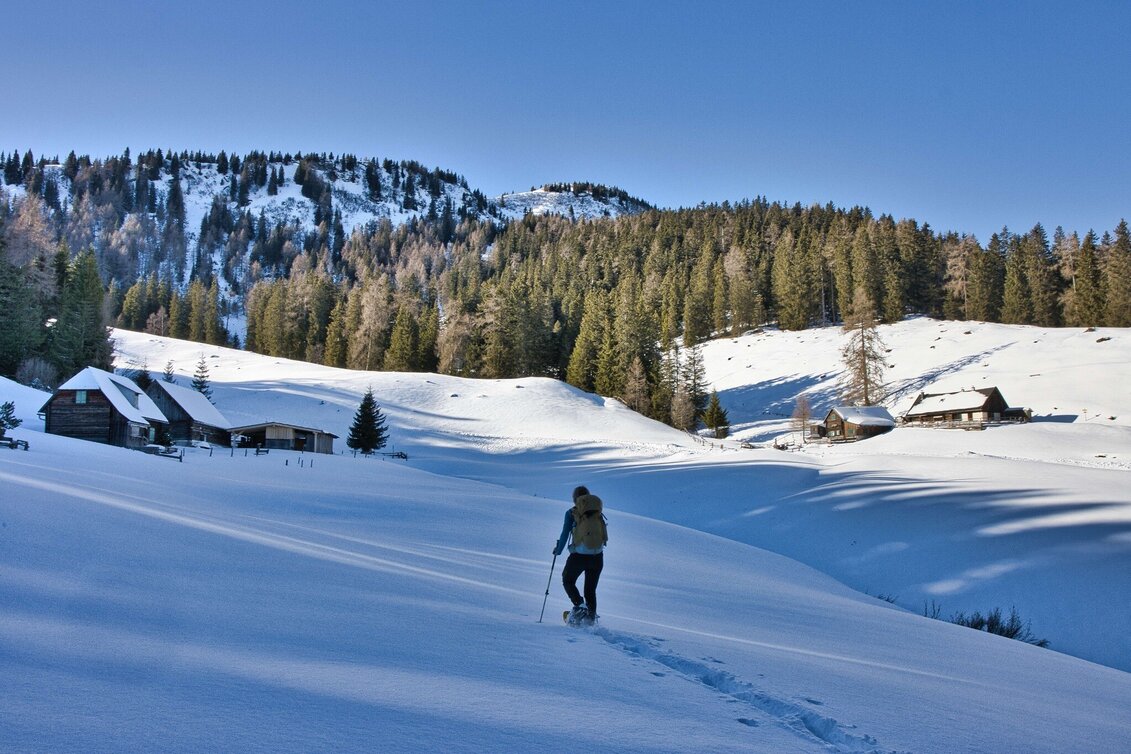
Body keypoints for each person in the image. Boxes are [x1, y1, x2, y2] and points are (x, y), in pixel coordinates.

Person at [553, 485, 607, 625]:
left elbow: (565, 533)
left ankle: (579, 607)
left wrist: (558, 550)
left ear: (575, 499)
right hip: (597, 557)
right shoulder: (597, 512)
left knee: (568, 580)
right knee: (590, 590)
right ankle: (590, 621)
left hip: (579, 556)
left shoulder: (572, 512)